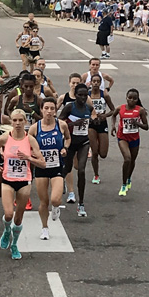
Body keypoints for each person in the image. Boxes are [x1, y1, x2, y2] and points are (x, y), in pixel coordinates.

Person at [0, 109, 45, 260]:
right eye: (15, 120)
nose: (18, 123)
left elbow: (43, 163)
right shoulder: (5, 138)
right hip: (7, 180)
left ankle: (14, 245)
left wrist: (28, 158)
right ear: (11, 122)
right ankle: (7, 231)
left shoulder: (31, 140)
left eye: (21, 120)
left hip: (24, 181)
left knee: (18, 218)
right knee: (8, 214)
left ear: (25, 122)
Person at [29, 98, 70, 240]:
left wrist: (65, 148)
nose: (49, 111)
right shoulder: (35, 128)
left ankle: (57, 207)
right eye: (46, 108)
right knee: (43, 202)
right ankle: (44, 228)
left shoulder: (61, 125)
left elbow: (68, 138)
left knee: (55, 199)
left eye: (52, 108)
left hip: (56, 166)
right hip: (41, 167)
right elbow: (28, 143)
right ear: (41, 109)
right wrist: (33, 153)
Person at [59, 84, 96, 217]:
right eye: (80, 95)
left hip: (84, 142)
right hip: (70, 142)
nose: (82, 97)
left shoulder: (89, 108)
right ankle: (59, 184)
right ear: (75, 94)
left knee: (81, 170)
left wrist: (95, 121)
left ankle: (81, 203)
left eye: (85, 95)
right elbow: (59, 123)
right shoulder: (70, 107)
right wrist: (73, 124)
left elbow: (91, 121)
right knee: (67, 168)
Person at [111, 89, 149, 197]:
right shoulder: (120, 108)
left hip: (134, 139)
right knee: (127, 158)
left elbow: (146, 127)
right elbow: (113, 115)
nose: (132, 100)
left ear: (137, 100)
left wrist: (137, 123)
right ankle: (123, 185)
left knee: (132, 160)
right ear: (126, 97)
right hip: (122, 137)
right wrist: (113, 126)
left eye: (134, 98)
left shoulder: (140, 110)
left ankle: (128, 178)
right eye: (130, 98)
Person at [88, 74, 115, 184]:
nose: (95, 83)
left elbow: (113, 110)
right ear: (90, 82)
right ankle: (96, 175)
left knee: (103, 154)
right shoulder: (87, 95)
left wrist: (105, 115)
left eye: (97, 81)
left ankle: (99, 144)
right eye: (93, 81)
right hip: (91, 125)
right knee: (94, 152)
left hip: (102, 124)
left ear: (100, 83)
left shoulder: (105, 95)